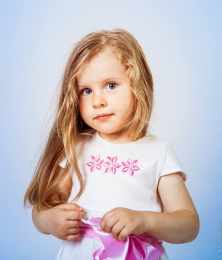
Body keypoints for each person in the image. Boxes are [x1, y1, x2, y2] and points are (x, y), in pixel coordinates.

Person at [24, 28, 199, 260]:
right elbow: (42, 207)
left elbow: (188, 225)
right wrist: (48, 221)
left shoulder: (159, 152)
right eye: (86, 91)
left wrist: (144, 219)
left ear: (138, 85)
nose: (98, 101)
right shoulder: (76, 148)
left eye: (111, 85)